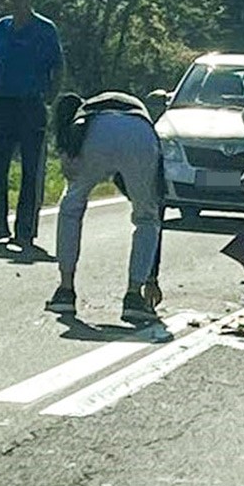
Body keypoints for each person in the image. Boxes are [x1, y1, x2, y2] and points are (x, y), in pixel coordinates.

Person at [45, 91, 164, 324]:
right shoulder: (137, 113)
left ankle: (65, 290)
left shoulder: (78, 120)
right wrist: (152, 278)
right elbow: (159, 201)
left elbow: (69, 171)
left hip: (93, 131)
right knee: (147, 217)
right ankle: (134, 296)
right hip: (139, 133)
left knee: (71, 206)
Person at [0, 0, 64, 249]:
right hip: (2, 102)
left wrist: (49, 98)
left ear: (31, 1)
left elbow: (58, 68)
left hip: (31, 104)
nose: (16, 3)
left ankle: (25, 229)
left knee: (32, 169)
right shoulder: (1, 28)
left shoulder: (44, 29)